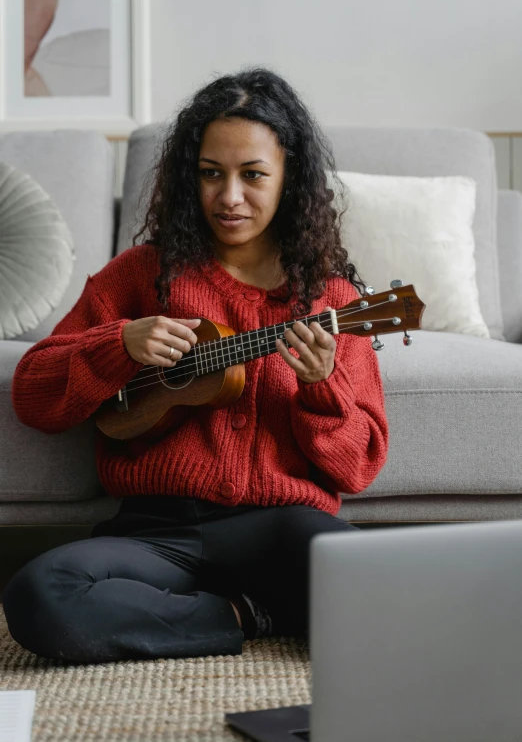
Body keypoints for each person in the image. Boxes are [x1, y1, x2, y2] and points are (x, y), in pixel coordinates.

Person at [3, 67, 389, 664]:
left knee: (397, 596)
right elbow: (32, 394)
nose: (229, 197)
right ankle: (245, 613)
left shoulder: (331, 300)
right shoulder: (142, 274)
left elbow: (359, 465)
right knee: (37, 595)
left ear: (290, 178)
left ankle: (211, 611)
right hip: (158, 532)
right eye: (212, 174)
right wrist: (118, 344)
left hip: (281, 527)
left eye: (253, 175)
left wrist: (322, 387)